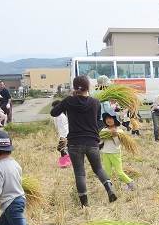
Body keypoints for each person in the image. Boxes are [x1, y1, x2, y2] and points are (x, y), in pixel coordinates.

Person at [50, 74, 118, 206]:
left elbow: (54, 112)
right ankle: (109, 189)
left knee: (80, 173)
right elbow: (99, 121)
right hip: (92, 142)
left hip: (75, 143)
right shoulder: (95, 102)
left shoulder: (69, 101)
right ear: (88, 87)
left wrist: (69, 97)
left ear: (75, 87)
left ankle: (85, 204)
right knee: (98, 169)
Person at [99, 109, 135, 191]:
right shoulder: (104, 130)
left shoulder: (119, 131)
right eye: (107, 119)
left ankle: (130, 183)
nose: (108, 120)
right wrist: (100, 138)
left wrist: (114, 135)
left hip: (115, 153)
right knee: (107, 173)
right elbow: (101, 142)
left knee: (119, 172)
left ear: (115, 120)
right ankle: (109, 188)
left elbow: (117, 144)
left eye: (111, 118)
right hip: (105, 153)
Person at [51, 99, 71, 168]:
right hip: (62, 134)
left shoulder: (61, 116)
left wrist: (65, 136)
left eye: (54, 107)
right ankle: (65, 163)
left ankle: (65, 163)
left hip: (65, 134)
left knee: (61, 149)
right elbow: (57, 126)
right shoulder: (58, 115)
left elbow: (65, 126)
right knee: (63, 149)